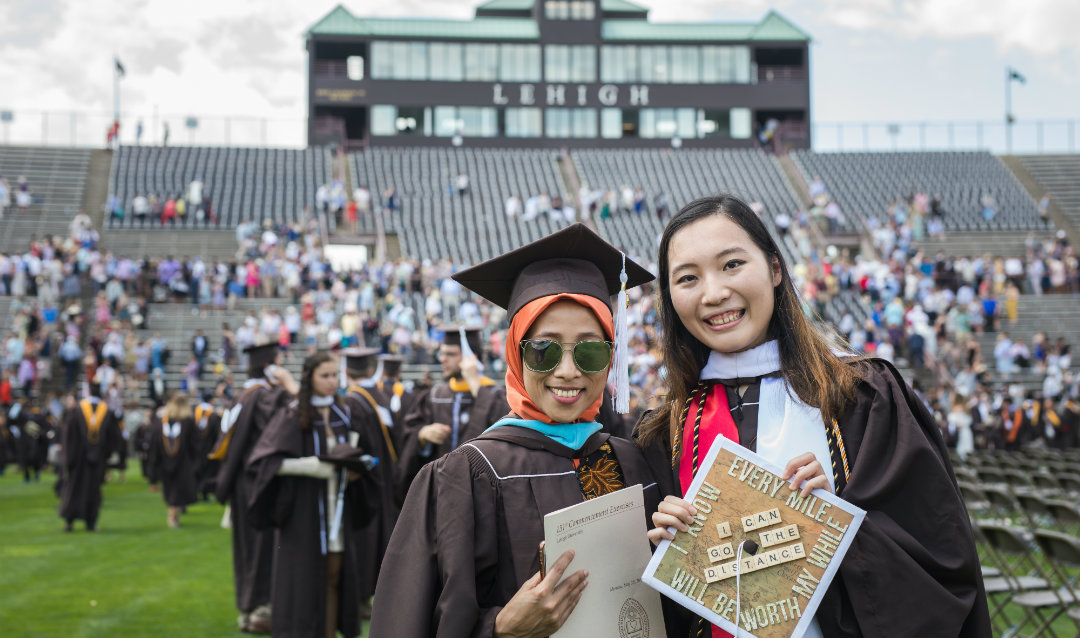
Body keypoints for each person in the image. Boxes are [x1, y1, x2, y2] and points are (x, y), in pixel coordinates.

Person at [641, 195, 990, 637]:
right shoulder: (665, 432)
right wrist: (666, 552)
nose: (713, 293)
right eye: (688, 278)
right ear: (670, 298)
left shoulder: (862, 396)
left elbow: (938, 557)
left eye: (731, 265)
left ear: (774, 268)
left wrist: (833, 524)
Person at [370, 223, 662, 637]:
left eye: (590, 350)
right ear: (515, 353)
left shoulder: (632, 460)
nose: (567, 371)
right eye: (542, 350)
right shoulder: (467, 475)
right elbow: (407, 624)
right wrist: (500, 629)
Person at [247, 351, 384, 638]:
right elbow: (265, 462)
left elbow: (365, 453)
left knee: (334, 577)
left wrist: (356, 468)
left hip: (338, 510)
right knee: (306, 582)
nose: (332, 381)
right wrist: (312, 467)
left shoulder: (345, 413)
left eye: (335, 374)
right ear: (309, 378)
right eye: (325, 376)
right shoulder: (293, 413)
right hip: (304, 514)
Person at [211, 343, 299, 634]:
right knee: (262, 547)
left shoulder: (241, 395)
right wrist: (290, 386)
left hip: (241, 482)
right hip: (258, 482)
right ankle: (262, 609)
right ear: (271, 366)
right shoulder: (263, 396)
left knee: (246, 548)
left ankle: (247, 610)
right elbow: (289, 421)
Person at [397, 326, 509, 490]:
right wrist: (422, 435)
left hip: (483, 492)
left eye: (450, 354)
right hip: (441, 491)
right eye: (442, 353)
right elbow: (410, 433)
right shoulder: (435, 395)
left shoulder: (495, 395)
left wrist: (474, 382)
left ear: (471, 357)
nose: (442, 359)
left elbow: (504, 431)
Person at [340, 348, 402, 612]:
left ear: (346, 372)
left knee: (365, 535)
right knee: (381, 534)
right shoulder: (380, 396)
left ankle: (363, 596)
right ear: (369, 370)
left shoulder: (353, 401)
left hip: (365, 477)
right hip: (385, 476)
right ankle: (377, 593)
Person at [58, 380, 121, 532]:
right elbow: (114, 438)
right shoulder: (107, 412)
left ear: (88, 392)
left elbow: (69, 437)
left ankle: (69, 522)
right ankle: (90, 523)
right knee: (93, 490)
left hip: (77, 459)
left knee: (74, 489)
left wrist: (68, 458)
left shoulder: (77, 411)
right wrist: (106, 456)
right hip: (98, 460)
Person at [148, 394, 198, 528]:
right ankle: (173, 513)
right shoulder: (187, 422)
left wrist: (153, 474)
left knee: (170, 489)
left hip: (165, 463)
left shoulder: (159, 423)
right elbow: (194, 445)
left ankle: (173, 512)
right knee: (177, 489)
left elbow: (153, 448)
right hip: (182, 463)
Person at [194, 396, 222, 501]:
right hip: (209, 448)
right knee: (208, 471)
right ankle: (205, 493)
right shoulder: (214, 415)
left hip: (196, 449)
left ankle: (196, 492)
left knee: (197, 470)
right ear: (211, 401)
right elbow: (218, 434)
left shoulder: (194, 413)